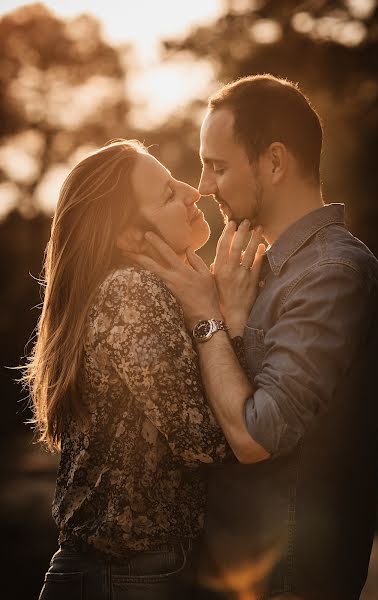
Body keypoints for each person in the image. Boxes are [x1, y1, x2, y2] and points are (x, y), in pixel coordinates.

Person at [133, 75, 378, 600]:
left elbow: (256, 436)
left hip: (288, 580)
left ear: (274, 162)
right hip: (240, 575)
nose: (203, 186)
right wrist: (231, 318)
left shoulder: (333, 273)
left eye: (218, 166)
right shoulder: (263, 273)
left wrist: (207, 317)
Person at [22, 139, 265, 600]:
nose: (192, 193)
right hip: (124, 577)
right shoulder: (132, 294)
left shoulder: (151, 290)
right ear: (131, 237)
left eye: (175, 181)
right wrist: (223, 322)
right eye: (169, 196)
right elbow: (207, 440)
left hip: (128, 573)